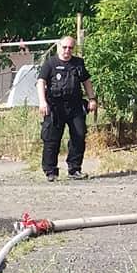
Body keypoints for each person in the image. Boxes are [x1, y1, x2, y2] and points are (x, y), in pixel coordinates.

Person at [34, 36, 95, 181]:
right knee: (51, 139)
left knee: (79, 136)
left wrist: (92, 98)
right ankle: (51, 172)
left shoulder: (78, 63)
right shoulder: (50, 63)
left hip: (75, 107)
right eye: (65, 47)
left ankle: (74, 169)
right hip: (54, 107)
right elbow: (40, 82)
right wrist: (43, 102)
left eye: (70, 48)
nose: (67, 50)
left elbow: (86, 81)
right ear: (59, 47)